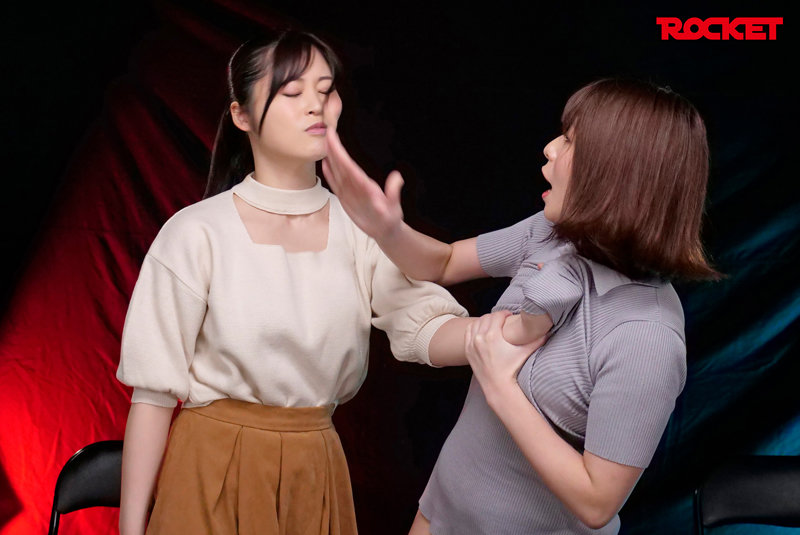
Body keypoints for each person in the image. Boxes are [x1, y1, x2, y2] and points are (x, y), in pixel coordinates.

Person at [115, 29, 479, 535]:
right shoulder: (195, 232)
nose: (316, 105)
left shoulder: (360, 228)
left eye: (326, 90)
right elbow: (153, 396)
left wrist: (499, 335)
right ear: (241, 115)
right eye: (292, 91)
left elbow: (424, 326)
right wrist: (130, 528)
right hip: (209, 468)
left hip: (314, 470)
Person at [321, 78, 719, 534]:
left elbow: (596, 502)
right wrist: (387, 231)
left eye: (569, 141)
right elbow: (444, 263)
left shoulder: (646, 335)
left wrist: (499, 384)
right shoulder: (554, 235)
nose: (549, 149)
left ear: (615, 173)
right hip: (438, 514)